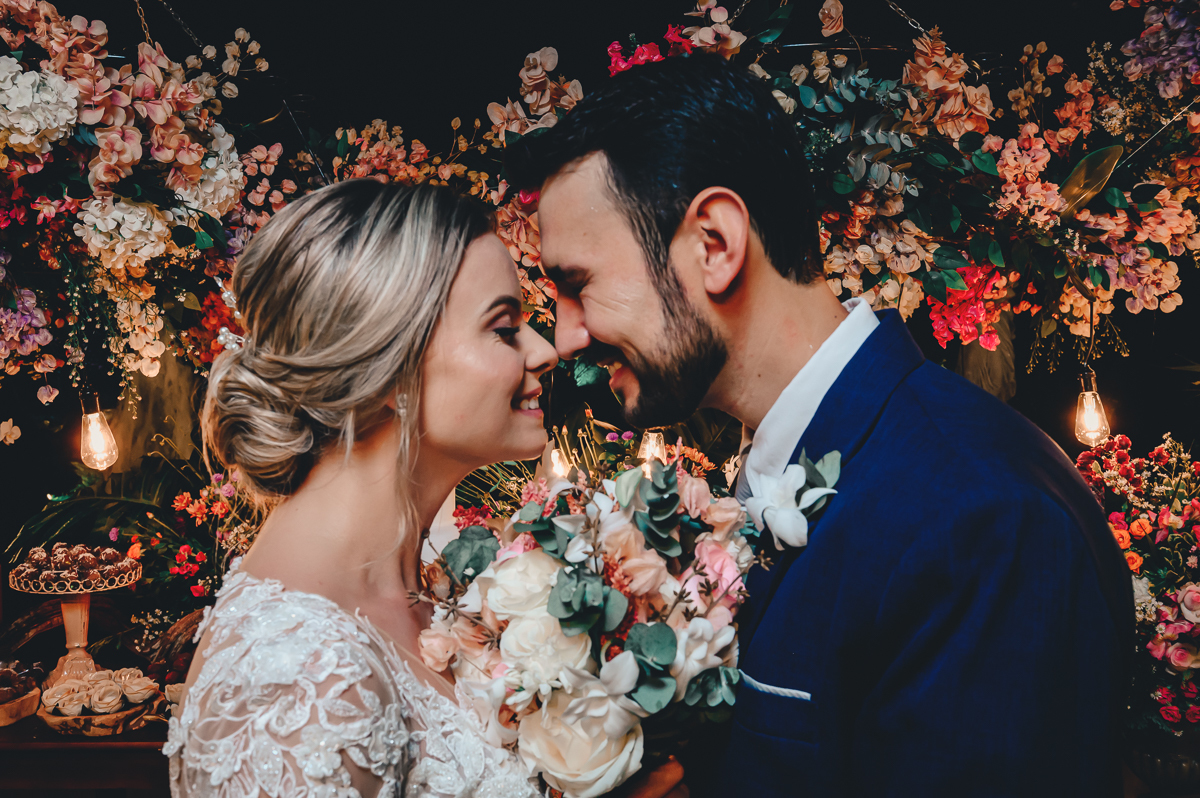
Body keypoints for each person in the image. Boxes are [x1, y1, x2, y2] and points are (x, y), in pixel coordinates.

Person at [506, 54, 1133, 796]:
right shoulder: (784, 471)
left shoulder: (979, 516)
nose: (565, 336)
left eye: (576, 285)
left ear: (715, 245)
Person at [166, 180, 687, 798]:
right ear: (387, 366)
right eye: (504, 328)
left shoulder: (435, 596)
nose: (545, 351)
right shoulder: (296, 685)